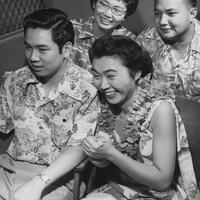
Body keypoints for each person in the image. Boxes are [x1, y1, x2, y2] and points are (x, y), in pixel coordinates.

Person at [81, 35, 200, 199]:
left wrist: (112, 154)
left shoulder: (160, 110)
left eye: (111, 75)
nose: (102, 85)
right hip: (115, 187)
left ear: (136, 73)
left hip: (156, 194)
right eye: (96, 75)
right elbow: (109, 158)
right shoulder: (102, 103)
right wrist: (99, 156)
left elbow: (162, 181)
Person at [0, 8, 100, 200]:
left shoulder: (87, 88)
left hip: (57, 178)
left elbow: (79, 147)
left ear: (67, 49)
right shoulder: (15, 80)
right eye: (28, 47)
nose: (33, 57)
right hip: (9, 169)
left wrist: (37, 185)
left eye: (43, 49)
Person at [137, 0, 200, 102]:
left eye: (171, 13)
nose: (162, 21)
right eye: (157, 14)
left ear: (192, 14)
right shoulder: (146, 41)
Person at [70, 0, 138, 70]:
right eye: (104, 5)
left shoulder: (131, 43)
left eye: (117, 10)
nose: (107, 14)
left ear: (125, 15)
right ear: (94, 4)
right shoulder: (71, 29)